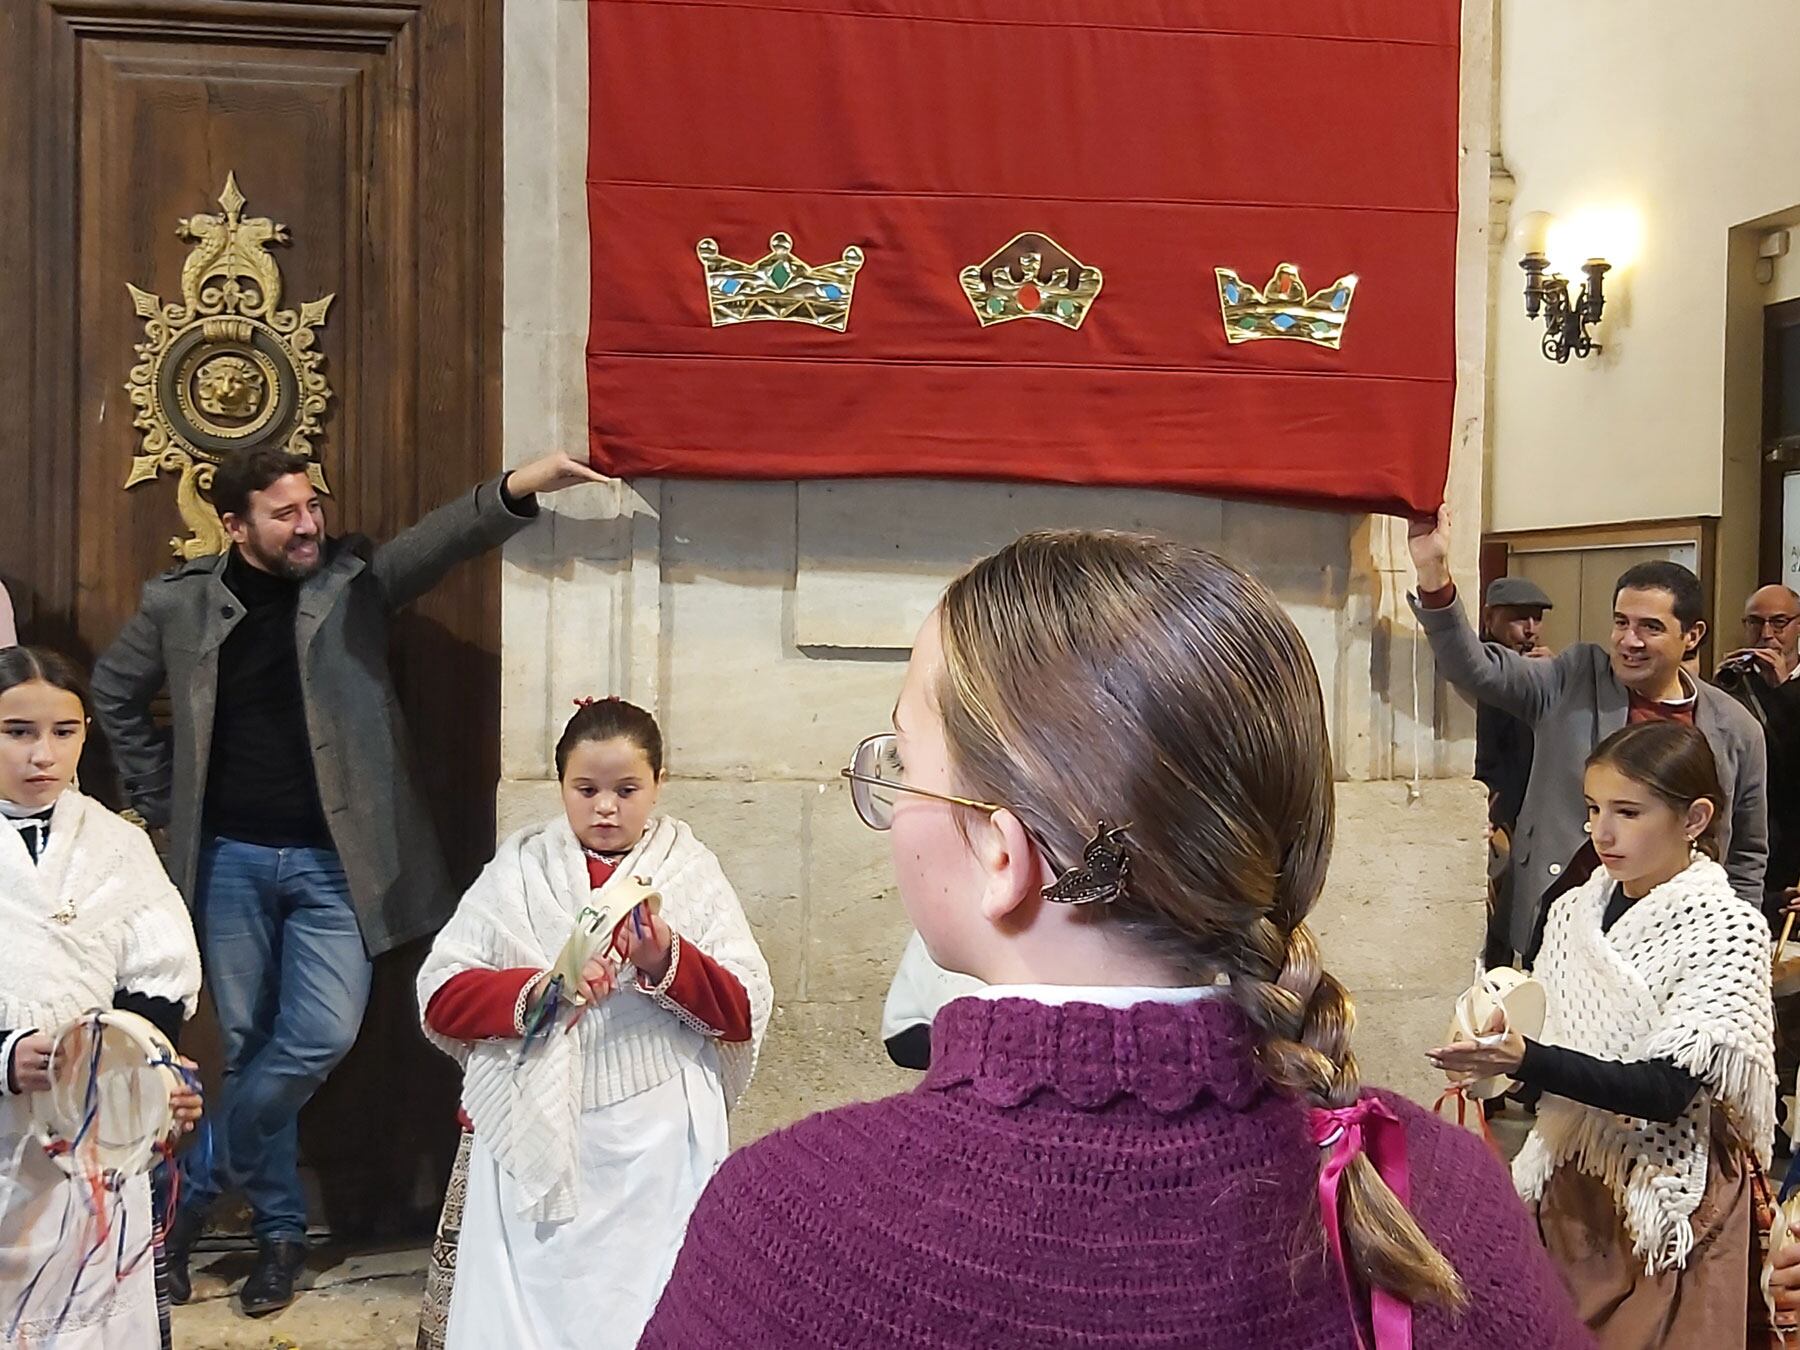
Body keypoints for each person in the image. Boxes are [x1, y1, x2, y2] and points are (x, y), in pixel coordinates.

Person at [640, 530, 1590, 1349]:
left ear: (1002, 854)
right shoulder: (1442, 1200)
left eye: (903, 757)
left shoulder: (790, 1226)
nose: (890, 801)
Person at [89, 445, 607, 1315]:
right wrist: (162, 805)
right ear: (234, 524)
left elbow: (440, 543)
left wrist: (521, 485)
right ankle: (281, 1237)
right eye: (285, 514)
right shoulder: (179, 604)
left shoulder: (352, 584)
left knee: (316, 1038)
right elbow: (112, 692)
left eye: (311, 508)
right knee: (251, 1047)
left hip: (339, 867)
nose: (308, 525)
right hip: (228, 861)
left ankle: (182, 1199)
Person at [416, 696, 772, 1350]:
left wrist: (667, 958)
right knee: (529, 1313)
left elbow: (742, 1011)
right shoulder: (520, 871)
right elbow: (442, 996)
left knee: (649, 1301)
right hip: (535, 1130)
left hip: (659, 1141)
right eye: (586, 790)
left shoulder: (692, 873)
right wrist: (540, 990)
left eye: (626, 789)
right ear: (561, 787)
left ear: (659, 786)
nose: (605, 807)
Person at [1430, 721, 1775, 1348]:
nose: (1601, 832)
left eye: (1628, 811)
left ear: (1695, 818)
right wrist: (1492, 1052)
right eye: (1592, 809)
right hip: (1569, 1180)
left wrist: (1528, 1058)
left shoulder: (1729, 928)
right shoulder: (1573, 910)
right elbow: (1549, 1032)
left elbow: (1665, 1091)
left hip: (1670, 1198)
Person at [1407, 508, 1768, 963]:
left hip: (1673, 941)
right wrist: (1433, 573)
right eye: (1621, 622)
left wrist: (1739, 948)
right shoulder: (1574, 678)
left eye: (1650, 627)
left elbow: (1747, 854)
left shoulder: (1736, 728)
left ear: (1692, 635)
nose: (1628, 640)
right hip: (1557, 925)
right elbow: (1474, 667)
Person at [0, 646, 203, 1349]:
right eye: (17, 732)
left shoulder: (118, 844)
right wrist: (5, 1057)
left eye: (63, 731)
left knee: (94, 1319)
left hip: (92, 1133)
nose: (41, 755)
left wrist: (150, 1083)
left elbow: (158, 978)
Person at [1475, 576, 1555, 968]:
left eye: (1537, 619)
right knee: (1495, 925)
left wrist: (1553, 683)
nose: (1531, 630)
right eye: (1519, 619)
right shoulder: (1482, 667)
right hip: (1499, 812)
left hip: (1532, 811)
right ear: (1490, 618)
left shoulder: (1541, 669)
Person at [1717, 584, 1800, 924]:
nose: (1767, 634)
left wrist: (1786, 691)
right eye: (1755, 622)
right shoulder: (1736, 685)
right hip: (1748, 831)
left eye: (1779, 623)